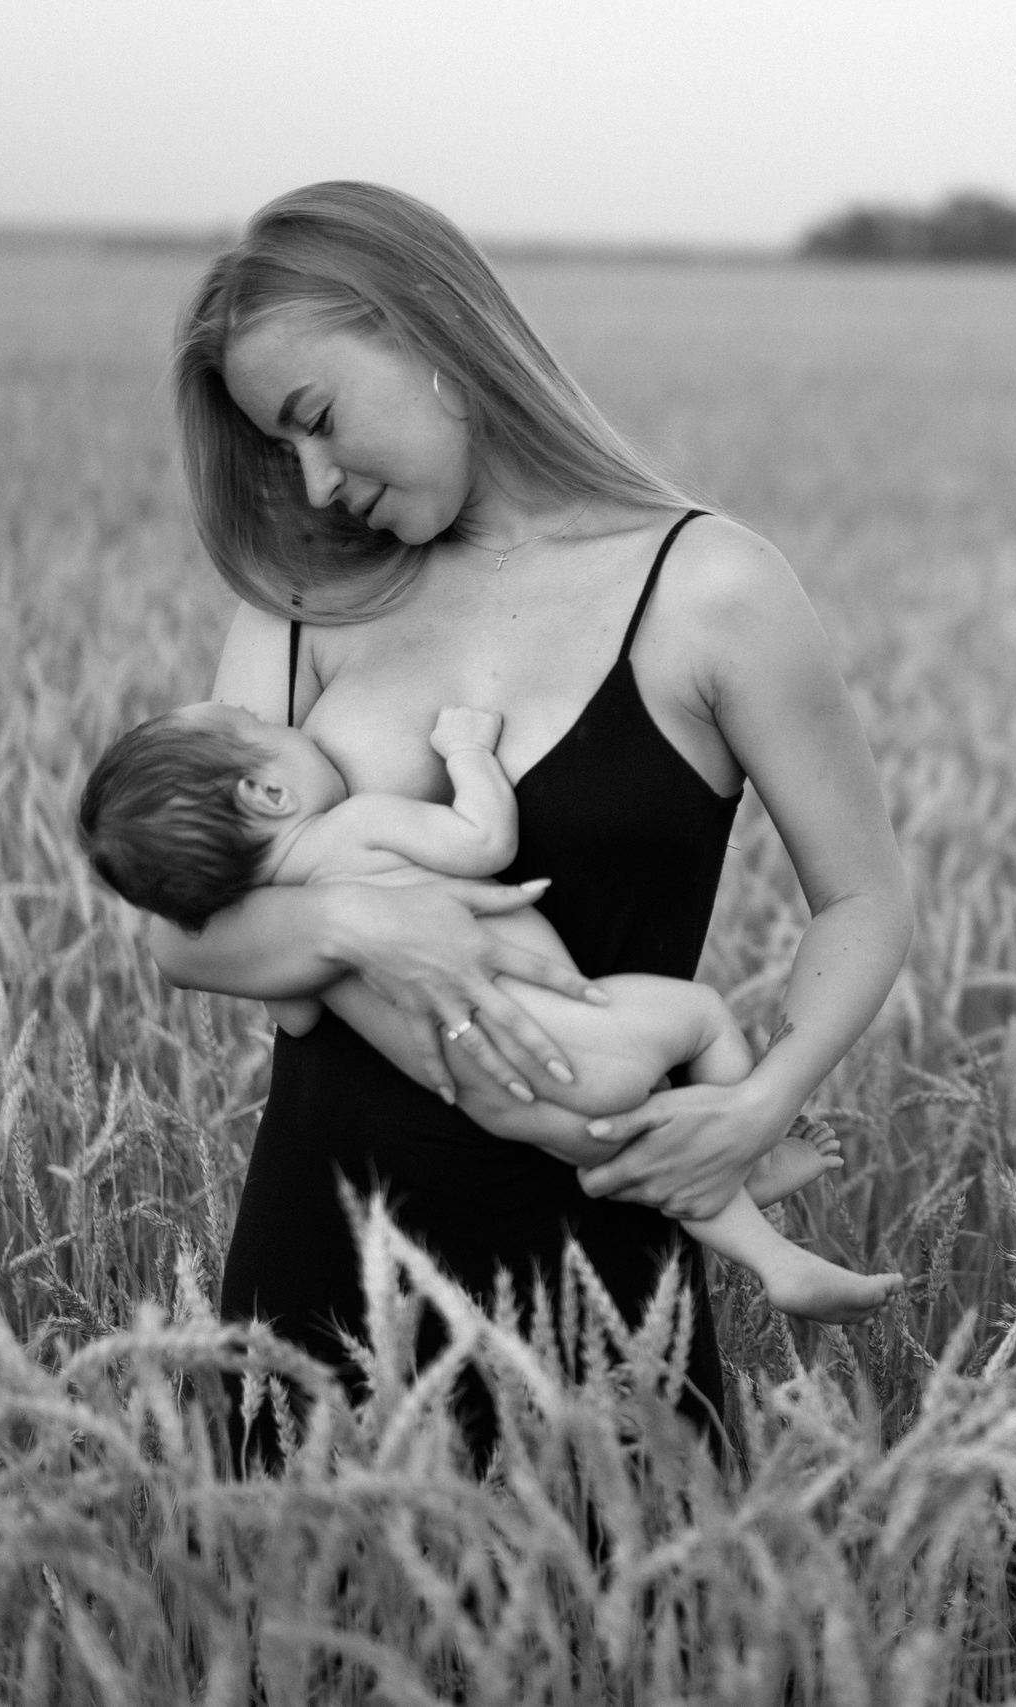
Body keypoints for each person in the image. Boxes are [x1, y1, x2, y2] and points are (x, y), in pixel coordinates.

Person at [144, 180, 914, 1460]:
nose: (317, 483)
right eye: (284, 451)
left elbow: (864, 895)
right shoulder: (298, 605)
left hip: (602, 1269)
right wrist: (378, 930)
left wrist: (759, 1101)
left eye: (318, 420)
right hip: (319, 1276)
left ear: (430, 332)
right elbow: (183, 940)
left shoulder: (710, 587)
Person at [78, 697, 904, 1323]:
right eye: (268, 724)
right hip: (572, 1036)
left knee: (635, 1151)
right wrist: (467, 750)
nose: (291, 724)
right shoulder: (354, 827)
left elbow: (292, 1019)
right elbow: (485, 844)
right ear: (265, 790)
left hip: (503, 1113)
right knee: (700, 1015)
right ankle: (746, 1161)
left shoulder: (281, 932)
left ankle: (773, 1257)